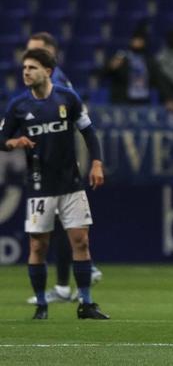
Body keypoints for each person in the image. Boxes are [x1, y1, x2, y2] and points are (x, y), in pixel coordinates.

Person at [0, 48, 109, 319]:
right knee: (38, 246)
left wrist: (96, 163)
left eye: (32, 68)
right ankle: (41, 305)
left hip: (71, 183)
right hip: (40, 185)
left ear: (47, 72)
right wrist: (14, 142)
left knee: (80, 241)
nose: (26, 72)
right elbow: (2, 139)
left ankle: (86, 303)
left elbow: (89, 132)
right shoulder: (19, 106)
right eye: (24, 68)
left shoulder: (68, 99)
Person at [24, 33, 103, 305]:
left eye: (36, 53)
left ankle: (65, 285)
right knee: (59, 225)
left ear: (50, 56)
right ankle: (65, 284)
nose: (29, 60)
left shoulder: (54, 84)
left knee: (62, 225)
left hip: (58, 163)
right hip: (55, 161)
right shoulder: (58, 79)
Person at [103, 27, 161, 105]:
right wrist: (111, 67)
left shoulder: (149, 60)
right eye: (135, 39)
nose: (137, 42)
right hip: (124, 101)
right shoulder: (122, 57)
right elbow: (105, 74)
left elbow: (157, 79)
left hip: (143, 100)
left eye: (140, 40)